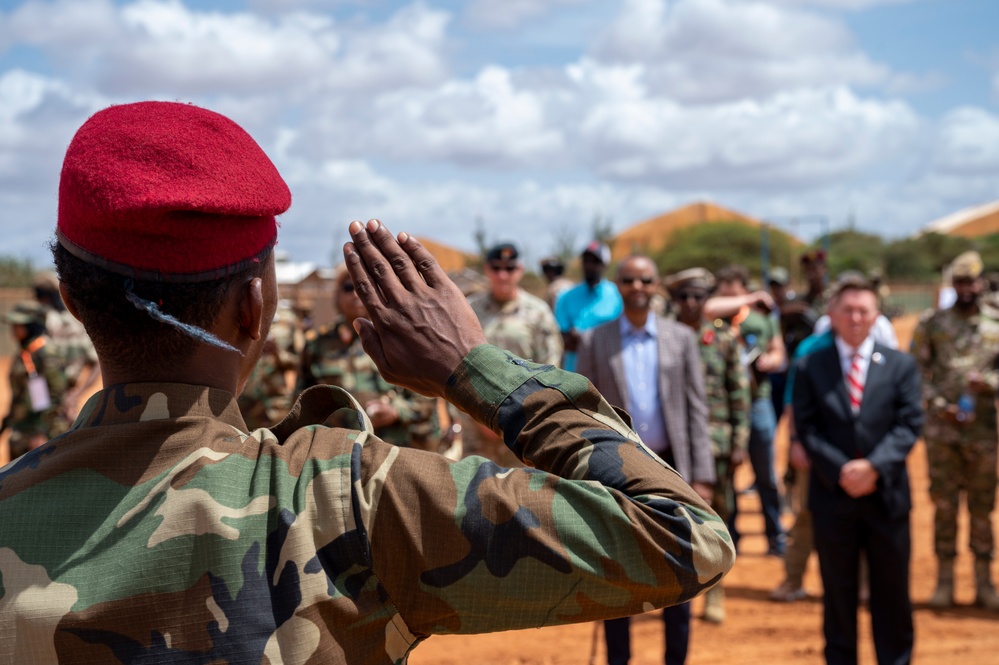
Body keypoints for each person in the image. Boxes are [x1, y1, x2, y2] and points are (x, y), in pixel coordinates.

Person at [0, 101, 734, 664]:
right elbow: (682, 536)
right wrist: (472, 367)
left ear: (70, 297)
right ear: (255, 306)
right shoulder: (342, 495)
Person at [577, 256, 715, 665]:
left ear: (657, 286)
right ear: (617, 285)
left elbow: (696, 411)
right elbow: (582, 413)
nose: (637, 285)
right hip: (614, 473)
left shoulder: (681, 339)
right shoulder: (594, 341)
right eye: (629, 279)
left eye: (646, 279)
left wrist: (702, 476)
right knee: (618, 575)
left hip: (674, 471)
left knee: (680, 570)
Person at [793, 275, 922, 665]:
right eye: (847, 310)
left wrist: (873, 467)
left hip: (887, 496)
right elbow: (806, 426)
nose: (855, 318)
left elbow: (910, 423)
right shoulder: (810, 365)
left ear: (875, 316)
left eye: (863, 310)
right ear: (831, 315)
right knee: (838, 594)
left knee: (892, 593)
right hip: (833, 496)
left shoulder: (901, 365)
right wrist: (844, 470)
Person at [910, 250, 999, 610]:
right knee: (944, 506)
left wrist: (988, 383)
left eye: (971, 282)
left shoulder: (996, 323)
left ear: (981, 283)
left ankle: (984, 583)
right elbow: (914, 373)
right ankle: (944, 582)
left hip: (984, 432)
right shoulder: (933, 323)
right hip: (943, 433)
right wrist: (940, 407)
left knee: (982, 507)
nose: (966, 288)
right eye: (959, 283)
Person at [665, 267, 750, 624]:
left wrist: (739, 443)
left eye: (698, 296)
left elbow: (739, 394)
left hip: (715, 445)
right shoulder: (664, 339)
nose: (690, 303)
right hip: (671, 445)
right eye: (683, 296)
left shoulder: (724, 341)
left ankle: (716, 590)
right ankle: (677, 590)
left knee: (718, 516)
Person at [298, 265, 441, 450]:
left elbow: (428, 395)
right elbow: (303, 402)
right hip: (339, 455)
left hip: (397, 451)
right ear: (337, 295)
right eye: (349, 287)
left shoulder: (403, 339)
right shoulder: (316, 346)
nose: (356, 294)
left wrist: (396, 411)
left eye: (364, 286)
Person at [462, 242, 563, 466]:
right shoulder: (469, 310)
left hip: (524, 428)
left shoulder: (538, 312)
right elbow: (458, 364)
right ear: (487, 269)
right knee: (472, 495)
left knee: (522, 496)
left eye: (509, 268)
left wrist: (520, 418)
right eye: (496, 268)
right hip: (476, 427)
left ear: (520, 270)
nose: (503, 275)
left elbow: (551, 370)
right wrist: (481, 417)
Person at [712, 264, 787, 556]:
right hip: (723, 406)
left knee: (765, 471)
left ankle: (775, 535)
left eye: (734, 290)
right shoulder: (715, 316)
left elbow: (779, 352)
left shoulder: (762, 318)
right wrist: (747, 299)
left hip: (757, 401)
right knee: (726, 473)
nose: (728, 296)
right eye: (724, 290)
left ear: (743, 287)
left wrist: (771, 360)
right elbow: (709, 305)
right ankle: (730, 537)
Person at [0, 301, 71, 460]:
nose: (13, 328)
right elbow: (22, 393)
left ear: (32, 325)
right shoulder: (27, 352)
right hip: (23, 429)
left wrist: (40, 433)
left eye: (18, 324)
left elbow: (53, 396)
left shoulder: (44, 354)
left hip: (39, 436)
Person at [33, 270, 102, 420]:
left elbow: (33, 367)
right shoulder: (75, 323)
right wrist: (75, 395)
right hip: (67, 401)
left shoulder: (41, 323)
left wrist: (39, 404)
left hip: (46, 399)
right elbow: (96, 364)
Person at [554, 241, 623, 372]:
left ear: (605, 264)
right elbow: (564, 340)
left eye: (595, 261)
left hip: (608, 370)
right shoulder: (565, 297)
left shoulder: (617, 295)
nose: (589, 266)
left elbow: (621, 336)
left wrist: (583, 338)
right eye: (586, 261)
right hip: (574, 372)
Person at [237, 301, 302, 430]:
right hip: (244, 405)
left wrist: (278, 353)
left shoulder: (288, 318)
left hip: (275, 405)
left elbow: (300, 361)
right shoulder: (238, 311)